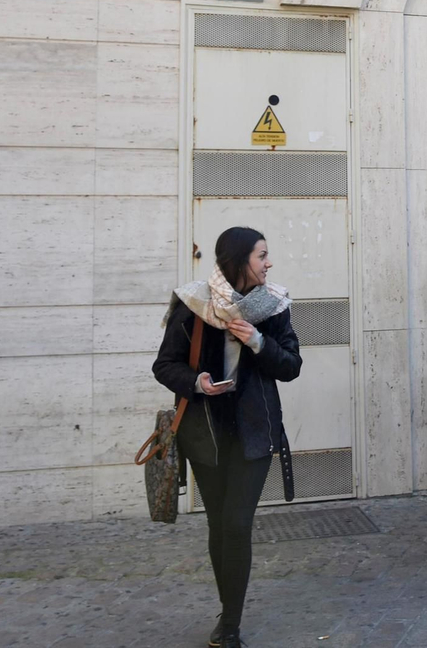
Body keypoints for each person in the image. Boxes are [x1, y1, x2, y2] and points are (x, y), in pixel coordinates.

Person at [152, 227, 303, 648]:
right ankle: (228, 612)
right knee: (219, 524)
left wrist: (256, 341)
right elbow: (164, 366)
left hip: (254, 433)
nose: (269, 263)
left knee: (236, 523)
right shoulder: (192, 303)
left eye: (267, 255)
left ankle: (230, 625)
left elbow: (291, 365)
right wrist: (197, 382)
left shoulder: (273, 305)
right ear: (239, 261)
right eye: (262, 255)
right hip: (205, 435)